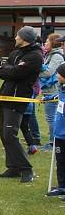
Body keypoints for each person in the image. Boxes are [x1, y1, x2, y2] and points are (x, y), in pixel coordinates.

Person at [0, 26, 44, 183]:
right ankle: (13, 167)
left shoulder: (35, 56)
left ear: (25, 38)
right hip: (6, 96)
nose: (15, 38)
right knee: (4, 134)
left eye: (18, 35)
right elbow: (2, 71)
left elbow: (17, 73)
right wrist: (10, 70)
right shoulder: (15, 53)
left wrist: (10, 70)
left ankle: (26, 168)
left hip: (18, 99)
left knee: (10, 134)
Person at [40, 33, 64, 151]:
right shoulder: (49, 55)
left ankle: (53, 142)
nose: (45, 43)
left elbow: (49, 72)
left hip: (53, 91)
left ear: (53, 43)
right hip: (48, 90)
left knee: (52, 117)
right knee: (51, 117)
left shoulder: (56, 56)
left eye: (47, 41)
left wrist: (34, 71)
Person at [46, 63, 65, 196]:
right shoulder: (62, 89)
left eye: (59, 73)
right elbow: (58, 97)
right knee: (60, 160)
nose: (57, 75)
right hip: (59, 133)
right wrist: (49, 98)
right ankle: (62, 186)